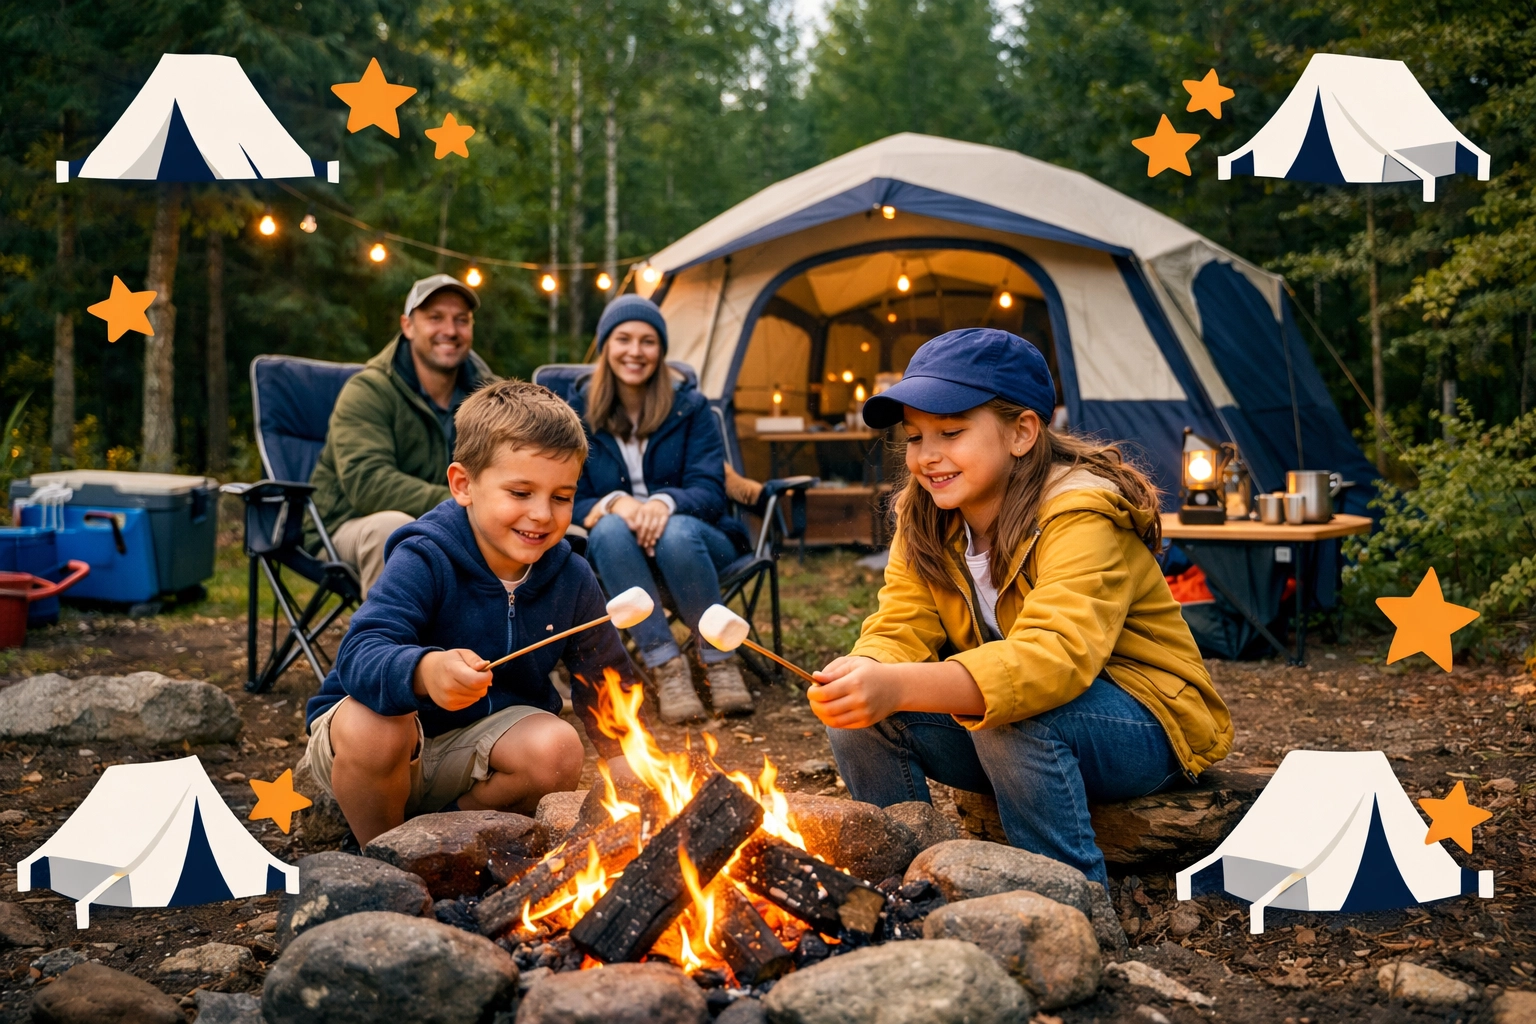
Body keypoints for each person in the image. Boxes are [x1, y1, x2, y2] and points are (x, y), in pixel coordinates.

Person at [812, 328, 1232, 887]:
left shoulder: (1080, 514)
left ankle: (1068, 900)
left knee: (1011, 715)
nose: (927, 456)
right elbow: (899, 625)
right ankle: (896, 889)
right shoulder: (926, 518)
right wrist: (870, 670)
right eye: (914, 437)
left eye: (952, 432)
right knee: (862, 718)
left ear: (1022, 432)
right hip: (1029, 724)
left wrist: (899, 684)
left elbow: (1051, 659)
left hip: (1144, 721)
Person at [296, 380, 642, 846]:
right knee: (374, 727)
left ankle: (439, 839)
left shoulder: (571, 577)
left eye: (561, 497)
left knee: (558, 748)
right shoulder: (426, 556)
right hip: (389, 737)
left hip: (482, 751)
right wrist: (424, 669)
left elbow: (605, 676)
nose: (542, 514)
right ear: (464, 485)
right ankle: (383, 854)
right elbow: (360, 653)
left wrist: (627, 758)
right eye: (520, 493)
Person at [571, 295, 755, 725]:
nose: (635, 351)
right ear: (604, 346)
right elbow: (564, 493)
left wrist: (662, 504)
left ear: (662, 350)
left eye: (648, 341)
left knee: (674, 533)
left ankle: (720, 659)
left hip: (699, 542)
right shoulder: (575, 414)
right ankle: (667, 666)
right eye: (624, 339)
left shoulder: (691, 408)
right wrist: (614, 502)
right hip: (618, 552)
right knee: (610, 530)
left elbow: (711, 490)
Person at [309, 273, 496, 596]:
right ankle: (389, 646)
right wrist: (468, 505)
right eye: (435, 318)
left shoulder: (488, 395)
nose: (450, 331)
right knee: (395, 529)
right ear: (408, 326)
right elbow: (368, 484)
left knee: (555, 532)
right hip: (350, 524)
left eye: (461, 320)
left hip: (456, 522)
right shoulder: (369, 390)